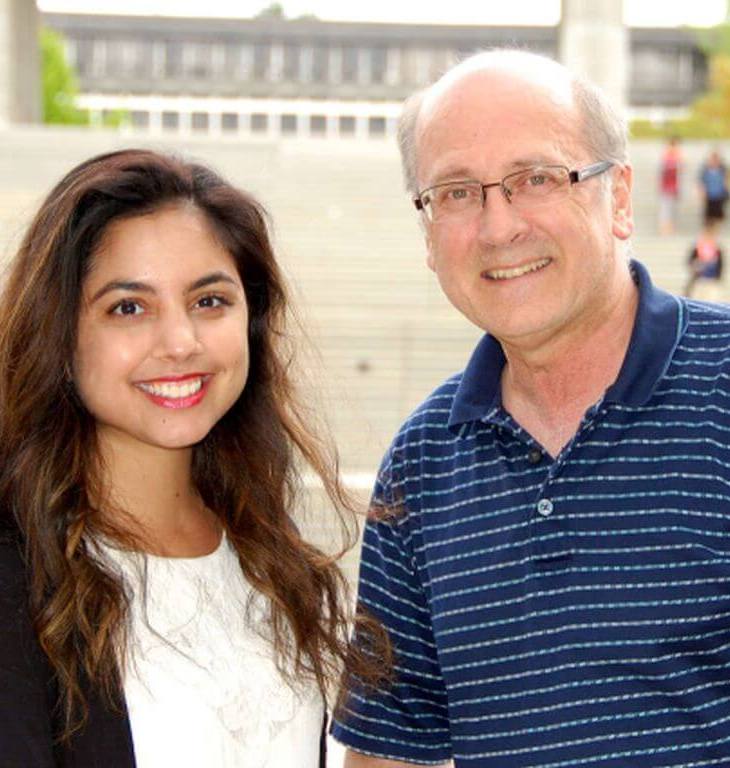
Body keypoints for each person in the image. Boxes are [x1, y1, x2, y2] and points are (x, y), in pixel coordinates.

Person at [331, 49, 730, 767]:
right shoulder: (421, 464)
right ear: (426, 233)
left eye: (536, 178)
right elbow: (390, 753)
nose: (498, 226)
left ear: (621, 198)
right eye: (455, 193)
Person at [0, 149, 386, 767]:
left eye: (209, 301)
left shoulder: (279, 568)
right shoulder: (18, 576)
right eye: (129, 307)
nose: (180, 343)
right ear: (60, 335)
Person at [685, 217, 724, 301]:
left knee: (712, 301)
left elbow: (720, 265)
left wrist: (718, 277)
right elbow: (690, 261)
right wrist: (696, 265)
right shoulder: (697, 248)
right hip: (699, 280)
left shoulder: (717, 249)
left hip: (712, 280)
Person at [657, 136, 682, 235]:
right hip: (666, 187)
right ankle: (664, 228)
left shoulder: (678, 157)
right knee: (666, 208)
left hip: (674, 186)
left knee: (672, 209)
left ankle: (670, 227)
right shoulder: (665, 157)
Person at [698, 148, 728, 224]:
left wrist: (726, 192)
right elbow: (702, 183)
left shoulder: (722, 169)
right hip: (709, 196)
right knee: (708, 218)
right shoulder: (706, 170)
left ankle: (715, 233)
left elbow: (726, 181)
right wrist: (702, 193)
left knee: (718, 217)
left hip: (719, 196)